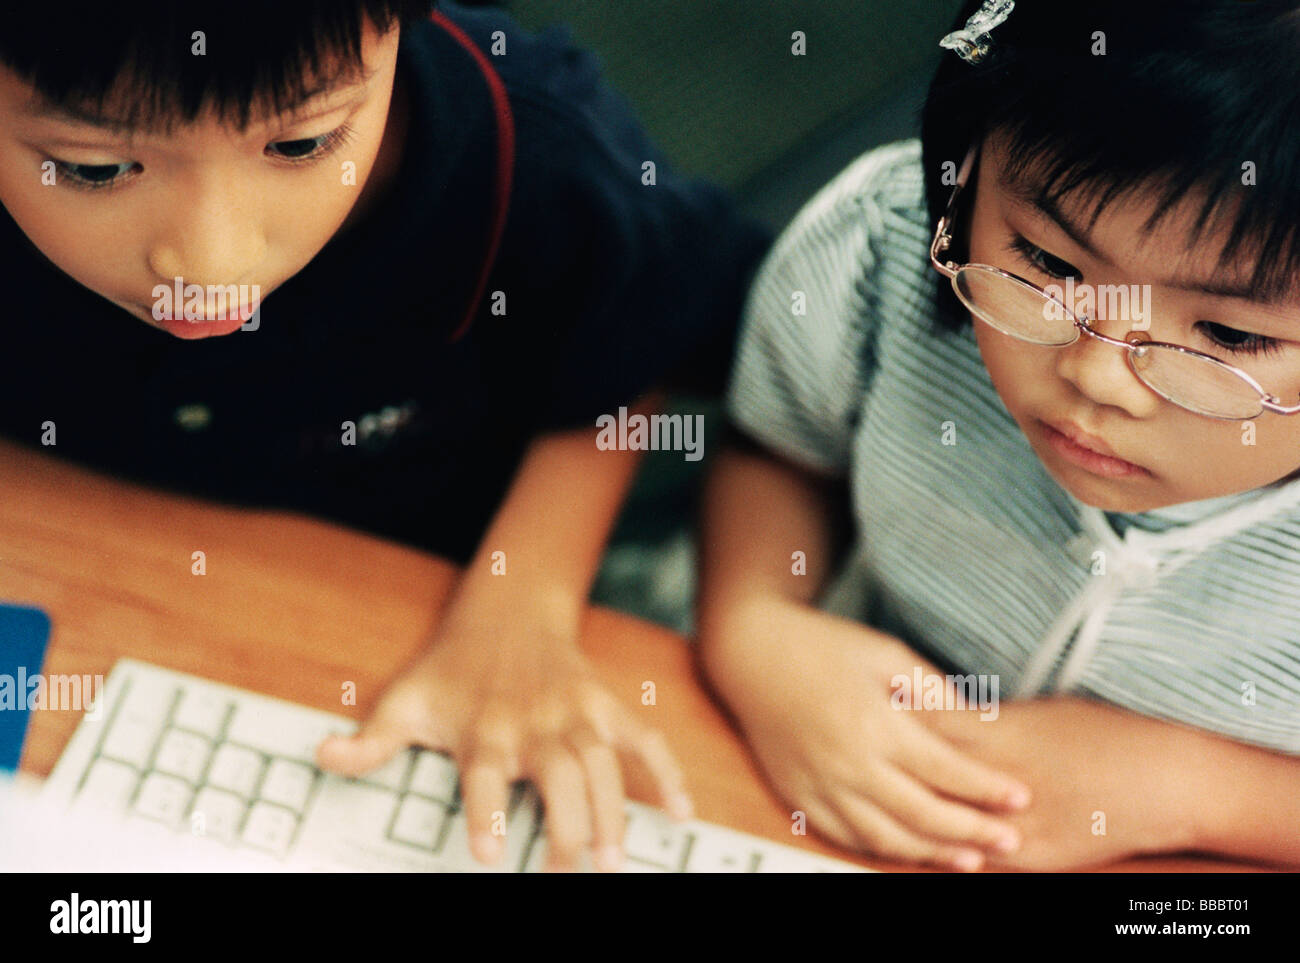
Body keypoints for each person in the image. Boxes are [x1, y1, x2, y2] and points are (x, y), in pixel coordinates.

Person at [0, 0, 771, 871]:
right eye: (96, 168)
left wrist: (528, 604)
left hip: (419, 578)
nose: (210, 265)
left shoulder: (541, 157)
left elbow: (626, 351)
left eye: (299, 146)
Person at [698, 0, 1300, 871]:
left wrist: (1195, 788)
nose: (1096, 377)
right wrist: (754, 622)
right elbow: (781, 445)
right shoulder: (881, 249)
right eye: (1050, 264)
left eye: (1230, 337)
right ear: (963, 162)